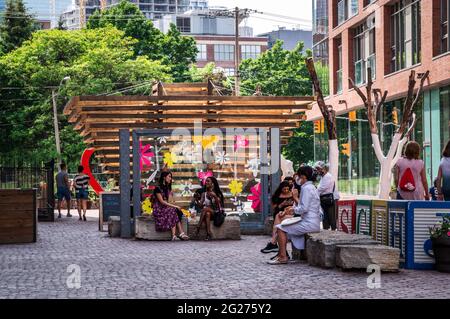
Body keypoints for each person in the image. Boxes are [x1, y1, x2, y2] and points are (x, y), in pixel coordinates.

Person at [268, 166, 321, 265]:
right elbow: (305, 206)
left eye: (299, 176)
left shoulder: (306, 188)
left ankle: (283, 257)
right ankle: (281, 255)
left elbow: (304, 208)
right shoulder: (312, 187)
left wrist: (292, 209)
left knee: (280, 228)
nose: (297, 179)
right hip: (312, 221)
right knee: (283, 225)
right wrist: (293, 207)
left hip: (309, 223)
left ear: (304, 177)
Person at [260, 180, 299, 254]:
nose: (286, 191)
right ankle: (281, 251)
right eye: (284, 189)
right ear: (281, 188)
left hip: (289, 214)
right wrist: (282, 204)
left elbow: (297, 205)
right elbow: (274, 208)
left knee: (279, 229)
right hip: (279, 212)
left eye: (287, 189)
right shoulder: (276, 196)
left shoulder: (293, 195)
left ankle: (274, 245)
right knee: (279, 226)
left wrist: (290, 205)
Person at [152, 171, 189, 241]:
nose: (170, 178)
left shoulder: (167, 188)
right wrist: (175, 206)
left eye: (171, 177)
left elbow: (168, 201)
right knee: (173, 210)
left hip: (165, 208)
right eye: (169, 176)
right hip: (158, 209)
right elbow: (162, 202)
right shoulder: (157, 188)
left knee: (174, 211)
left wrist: (170, 193)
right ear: (164, 177)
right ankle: (179, 234)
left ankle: (175, 235)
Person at [196, 176, 225, 241]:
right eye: (206, 181)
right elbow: (200, 206)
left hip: (217, 213)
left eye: (208, 181)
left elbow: (219, 205)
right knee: (207, 213)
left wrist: (214, 196)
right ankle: (208, 233)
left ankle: (198, 226)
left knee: (205, 209)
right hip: (209, 214)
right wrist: (197, 199)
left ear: (213, 183)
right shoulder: (204, 194)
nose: (206, 182)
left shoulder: (217, 193)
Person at [315, 161, 339, 230]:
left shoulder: (327, 177)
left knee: (331, 218)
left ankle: (333, 232)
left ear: (323, 169)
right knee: (326, 218)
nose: (317, 171)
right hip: (325, 200)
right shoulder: (323, 177)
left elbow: (320, 189)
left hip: (330, 200)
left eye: (318, 169)